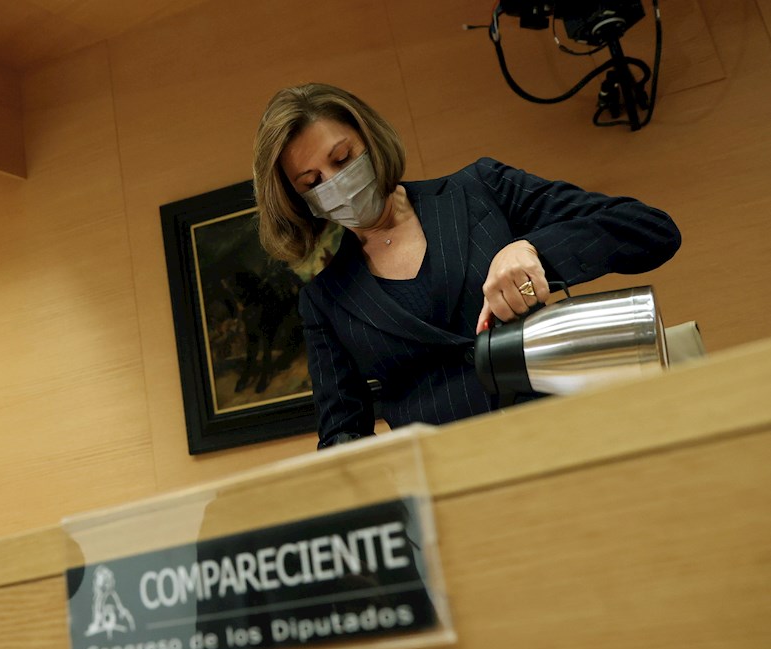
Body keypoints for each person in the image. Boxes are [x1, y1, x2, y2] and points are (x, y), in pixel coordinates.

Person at [252, 83, 681, 448]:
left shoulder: (479, 190)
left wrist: (533, 250)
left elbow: (649, 229)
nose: (335, 183)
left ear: (370, 140)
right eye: (313, 183)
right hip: (459, 490)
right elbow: (343, 438)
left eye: (343, 159)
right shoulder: (325, 300)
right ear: (299, 201)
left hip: (575, 438)